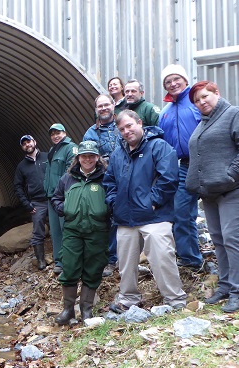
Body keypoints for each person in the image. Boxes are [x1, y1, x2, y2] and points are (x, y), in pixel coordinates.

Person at [186, 81, 239, 313]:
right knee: (218, 238)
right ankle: (226, 285)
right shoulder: (204, 123)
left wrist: (230, 176)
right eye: (197, 100)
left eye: (205, 96)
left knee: (232, 237)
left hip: (236, 188)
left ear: (217, 93)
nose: (202, 102)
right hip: (211, 192)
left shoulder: (235, 114)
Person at [103, 110, 187, 312]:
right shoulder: (118, 154)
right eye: (122, 129)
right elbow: (109, 181)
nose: (126, 131)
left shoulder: (158, 146)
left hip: (154, 216)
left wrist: (153, 201)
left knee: (162, 257)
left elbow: (168, 178)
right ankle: (128, 298)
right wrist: (114, 202)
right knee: (126, 264)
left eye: (130, 125)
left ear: (140, 123)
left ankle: (174, 299)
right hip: (125, 218)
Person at [51, 141, 109, 324]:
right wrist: (65, 209)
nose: (88, 159)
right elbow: (56, 197)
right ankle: (68, 310)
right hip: (72, 230)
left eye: (91, 156)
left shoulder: (105, 177)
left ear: (97, 157)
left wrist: (107, 210)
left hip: (97, 231)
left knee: (93, 269)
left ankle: (86, 311)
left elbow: (114, 196)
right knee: (69, 267)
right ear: (78, 158)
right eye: (84, 156)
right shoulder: (68, 178)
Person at [158, 64, 203, 270]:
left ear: (185, 80)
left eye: (176, 79)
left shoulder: (197, 101)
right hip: (184, 166)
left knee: (219, 211)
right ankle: (190, 260)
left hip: (207, 162)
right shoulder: (165, 112)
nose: (173, 84)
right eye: (168, 82)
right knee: (182, 212)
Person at [83, 93, 121, 276]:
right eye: (100, 106)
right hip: (103, 181)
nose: (104, 108)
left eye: (107, 105)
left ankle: (134, 255)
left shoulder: (123, 125)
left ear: (113, 105)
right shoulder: (91, 133)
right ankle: (110, 258)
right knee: (106, 219)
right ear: (96, 110)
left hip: (127, 179)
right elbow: (88, 157)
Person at [43, 123, 77, 272]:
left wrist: (63, 192)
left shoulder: (71, 148)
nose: (55, 136)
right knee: (55, 230)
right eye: (52, 134)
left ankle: (71, 260)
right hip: (51, 196)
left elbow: (71, 172)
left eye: (58, 133)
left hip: (64, 196)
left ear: (65, 132)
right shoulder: (52, 150)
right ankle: (59, 262)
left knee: (67, 228)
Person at [14, 135, 49, 269]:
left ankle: (61, 257)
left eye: (29, 142)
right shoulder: (21, 166)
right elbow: (17, 186)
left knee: (60, 227)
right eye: (24, 144)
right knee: (37, 232)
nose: (27, 145)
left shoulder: (47, 157)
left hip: (52, 198)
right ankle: (41, 260)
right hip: (37, 202)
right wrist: (26, 204)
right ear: (22, 147)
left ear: (35, 142)